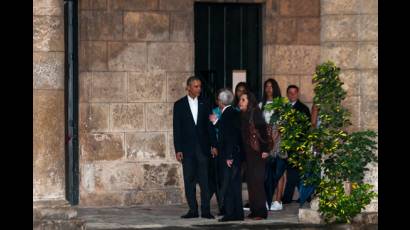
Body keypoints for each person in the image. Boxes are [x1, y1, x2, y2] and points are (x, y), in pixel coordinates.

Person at [173, 76, 218, 219]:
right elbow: (177, 129)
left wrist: (214, 145)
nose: (199, 89)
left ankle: (206, 211)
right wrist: (178, 149)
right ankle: (193, 210)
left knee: (205, 181)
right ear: (188, 87)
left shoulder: (206, 103)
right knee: (189, 180)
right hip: (187, 150)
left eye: (200, 86)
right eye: (196, 86)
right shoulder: (179, 105)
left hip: (203, 149)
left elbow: (210, 126)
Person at [209, 89, 244, 222]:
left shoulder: (228, 114)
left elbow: (230, 137)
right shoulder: (233, 113)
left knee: (229, 185)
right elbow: (228, 130)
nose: (217, 101)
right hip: (235, 154)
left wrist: (229, 156)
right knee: (235, 185)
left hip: (229, 155)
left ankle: (230, 214)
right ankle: (238, 213)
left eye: (218, 99)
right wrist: (216, 122)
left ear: (221, 102)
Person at [238, 92, 271, 220]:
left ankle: (261, 212)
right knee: (251, 183)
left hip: (257, 154)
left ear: (250, 102)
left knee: (257, 183)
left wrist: (265, 150)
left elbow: (263, 132)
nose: (240, 102)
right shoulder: (243, 115)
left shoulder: (255, 114)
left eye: (243, 100)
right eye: (240, 100)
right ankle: (254, 210)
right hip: (248, 155)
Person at [259, 78, 286, 211]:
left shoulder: (281, 105)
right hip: (265, 140)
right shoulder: (261, 105)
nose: (269, 89)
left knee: (279, 171)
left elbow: (284, 124)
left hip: (279, 140)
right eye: (266, 86)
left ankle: (278, 200)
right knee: (266, 171)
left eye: (271, 86)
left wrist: (277, 135)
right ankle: (266, 199)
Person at [282, 85, 311, 204]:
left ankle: (288, 198)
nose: (292, 95)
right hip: (287, 145)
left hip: (298, 145)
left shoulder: (303, 108)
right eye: (290, 93)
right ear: (287, 94)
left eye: (294, 92)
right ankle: (304, 197)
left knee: (294, 172)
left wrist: (302, 146)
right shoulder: (284, 108)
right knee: (293, 172)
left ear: (297, 94)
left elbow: (306, 128)